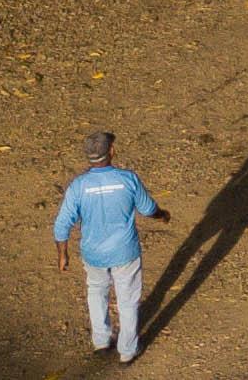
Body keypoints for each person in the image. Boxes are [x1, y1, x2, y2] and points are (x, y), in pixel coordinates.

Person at [53, 129, 170, 363]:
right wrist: (163, 214)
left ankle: (101, 341)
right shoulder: (127, 179)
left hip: (93, 253)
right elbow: (148, 209)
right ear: (112, 151)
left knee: (97, 293)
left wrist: (62, 254)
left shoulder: (78, 186)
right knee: (127, 300)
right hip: (125, 252)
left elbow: (62, 223)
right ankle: (127, 351)